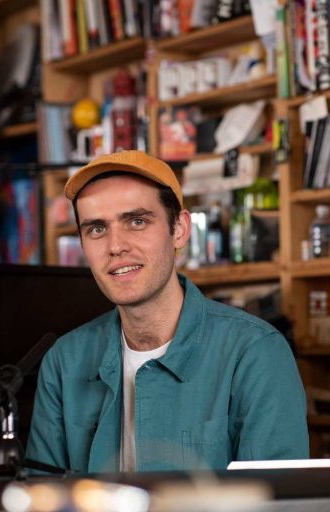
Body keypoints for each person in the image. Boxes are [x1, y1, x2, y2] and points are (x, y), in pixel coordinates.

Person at [26, 150, 308, 474]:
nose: (115, 246)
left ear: (179, 229)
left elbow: (278, 502)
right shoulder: (64, 361)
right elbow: (41, 497)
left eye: (137, 221)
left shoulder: (256, 353)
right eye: (97, 229)